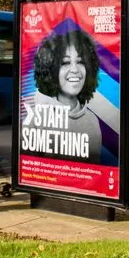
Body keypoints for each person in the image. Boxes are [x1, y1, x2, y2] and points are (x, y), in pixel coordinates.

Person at [30, 29, 103, 163]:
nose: (75, 70)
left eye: (80, 62)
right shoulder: (36, 119)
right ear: (50, 70)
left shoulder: (93, 120)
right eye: (65, 63)